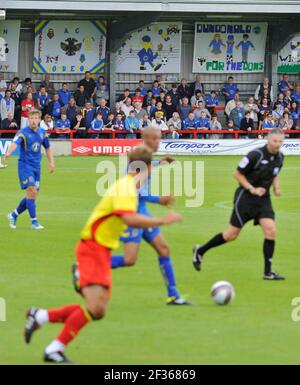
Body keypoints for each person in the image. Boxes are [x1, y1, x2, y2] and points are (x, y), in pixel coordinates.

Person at [24, 146, 182, 363]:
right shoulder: (125, 189)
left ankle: (40, 316)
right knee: (96, 307)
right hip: (92, 248)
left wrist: (160, 164)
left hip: (100, 248)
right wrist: (163, 220)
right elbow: (130, 219)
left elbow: (144, 173)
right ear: (141, 169)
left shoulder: (131, 180)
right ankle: (54, 348)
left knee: (97, 309)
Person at [193, 128, 285, 281]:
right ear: (268, 140)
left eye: (281, 141)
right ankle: (200, 251)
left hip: (263, 200)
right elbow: (237, 173)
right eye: (275, 141)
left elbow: (275, 173)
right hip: (245, 198)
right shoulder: (255, 154)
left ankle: (267, 273)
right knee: (231, 235)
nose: (278, 144)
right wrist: (252, 189)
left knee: (271, 230)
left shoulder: (280, 157)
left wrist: (276, 187)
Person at [111, 128, 189, 305]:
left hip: (141, 210)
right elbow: (134, 192)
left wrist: (160, 162)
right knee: (130, 259)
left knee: (163, 248)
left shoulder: (144, 157)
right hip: (131, 211)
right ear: (144, 138)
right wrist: (160, 199)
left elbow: (145, 168)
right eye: (154, 139)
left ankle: (174, 295)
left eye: (159, 139)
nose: (158, 142)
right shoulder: (137, 159)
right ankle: (84, 268)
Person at [5, 109, 55, 230]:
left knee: (32, 195)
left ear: (39, 119)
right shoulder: (23, 132)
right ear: (28, 119)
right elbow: (15, 143)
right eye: (31, 118)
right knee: (32, 191)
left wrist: (51, 162)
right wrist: (8, 153)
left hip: (37, 167)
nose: (33, 121)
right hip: (24, 166)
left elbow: (47, 148)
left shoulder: (42, 132)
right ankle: (34, 222)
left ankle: (14, 214)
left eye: (36, 118)